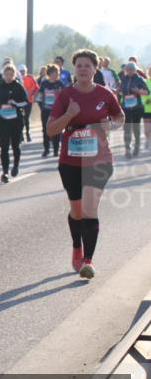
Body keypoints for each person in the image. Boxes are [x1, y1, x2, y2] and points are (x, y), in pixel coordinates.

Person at [46, 49, 124, 279]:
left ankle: (88, 261)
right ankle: (76, 247)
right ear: (74, 69)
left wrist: (108, 124)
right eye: (79, 65)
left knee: (90, 209)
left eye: (87, 65)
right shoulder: (65, 95)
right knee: (77, 211)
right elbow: (51, 130)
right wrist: (69, 114)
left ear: (95, 68)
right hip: (70, 161)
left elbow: (120, 118)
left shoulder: (105, 94)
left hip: (99, 159)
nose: (82, 69)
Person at [0, 64, 29, 182]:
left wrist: (15, 103)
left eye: (11, 75)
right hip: (3, 121)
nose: (8, 77)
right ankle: (5, 172)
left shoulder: (18, 86)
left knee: (15, 145)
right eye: (6, 74)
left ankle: (15, 166)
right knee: (4, 147)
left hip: (16, 120)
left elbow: (25, 102)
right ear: (3, 75)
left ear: (14, 75)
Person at [119, 61, 150, 158]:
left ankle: (136, 147)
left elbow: (147, 92)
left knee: (136, 129)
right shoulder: (124, 79)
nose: (128, 71)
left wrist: (138, 91)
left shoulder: (139, 79)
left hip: (137, 108)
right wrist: (116, 91)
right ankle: (127, 149)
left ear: (134, 70)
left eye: (130, 70)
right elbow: (121, 89)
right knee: (127, 129)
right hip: (126, 107)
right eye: (127, 70)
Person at [37, 64, 64, 157]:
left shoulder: (60, 84)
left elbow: (65, 98)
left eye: (58, 73)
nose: (57, 75)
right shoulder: (44, 83)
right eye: (55, 73)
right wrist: (42, 107)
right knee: (45, 130)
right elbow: (39, 97)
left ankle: (56, 150)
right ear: (50, 73)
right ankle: (46, 149)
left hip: (57, 112)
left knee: (57, 130)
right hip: (45, 111)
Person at [20, 64, 39, 143]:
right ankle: (21, 135)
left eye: (23, 71)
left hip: (29, 100)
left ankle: (28, 133)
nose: (22, 72)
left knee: (26, 118)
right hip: (20, 101)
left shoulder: (29, 78)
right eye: (21, 71)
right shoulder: (17, 79)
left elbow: (36, 87)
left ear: (26, 71)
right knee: (21, 118)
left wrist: (32, 94)